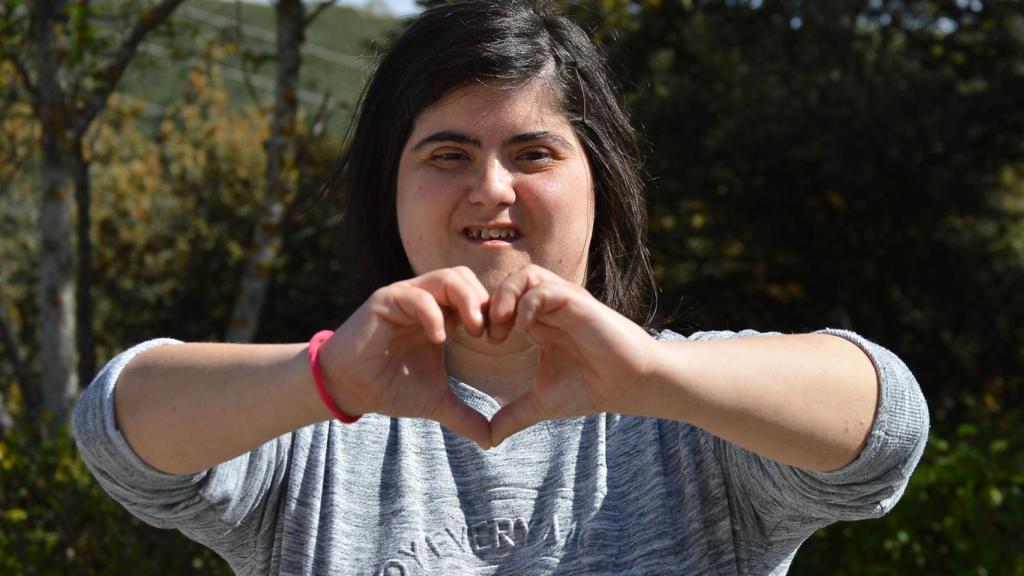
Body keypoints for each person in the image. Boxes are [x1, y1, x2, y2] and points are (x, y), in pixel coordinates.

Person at [74, 1, 929, 574]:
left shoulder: (696, 406)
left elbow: (886, 425)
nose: (491, 189)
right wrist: (325, 380)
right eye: (447, 155)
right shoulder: (314, 417)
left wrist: (652, 377)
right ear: (390, 192)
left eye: (533, 153)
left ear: (602, 186)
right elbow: (117, 432)